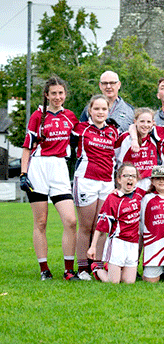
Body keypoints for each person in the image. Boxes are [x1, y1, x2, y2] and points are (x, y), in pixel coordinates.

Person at [20, 76, 79, 281]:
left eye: (60, 93)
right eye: (53, 93)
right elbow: (27, 147)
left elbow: (83, 135)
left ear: (65, 94)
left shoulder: (70, 116)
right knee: (41, 222)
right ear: (46, 95)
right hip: (38, 168)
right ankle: (44, 269)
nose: (57, 97)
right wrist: (23, 173)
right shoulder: (38, 116)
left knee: (71, 221)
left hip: (59, 168)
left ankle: (69, 270)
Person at [71, 95, 120, 280]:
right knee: (86, 226)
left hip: (106, 183)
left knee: (102, 226)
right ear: (90, 111)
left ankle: (98, 266)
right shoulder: (80, 128)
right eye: (96, 109)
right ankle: (82, 267)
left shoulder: (114, 131)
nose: (100, 112)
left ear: (108, 111)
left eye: (104, 109)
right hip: (86, 181)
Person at [86, 163, 143, 284]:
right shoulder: (113, 198)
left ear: (137, 180)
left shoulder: (139, 194)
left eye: (133, 176)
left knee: (128, 282)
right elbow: (101, 226)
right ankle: (97, 269)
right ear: (119, 179)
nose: (130, 178)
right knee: (114, 282)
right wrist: (93, 246)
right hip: (117, 243)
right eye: (126, 175)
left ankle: (112, 268)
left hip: (133, 243)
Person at [115, 108, 158, 190]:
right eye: (142, 121)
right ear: (135, 122)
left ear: (153, 123)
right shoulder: (126, 138)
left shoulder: (154, 138)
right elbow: (114, 157)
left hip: (148, 184)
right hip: (129, 182)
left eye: (148, 122)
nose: (145, 125)